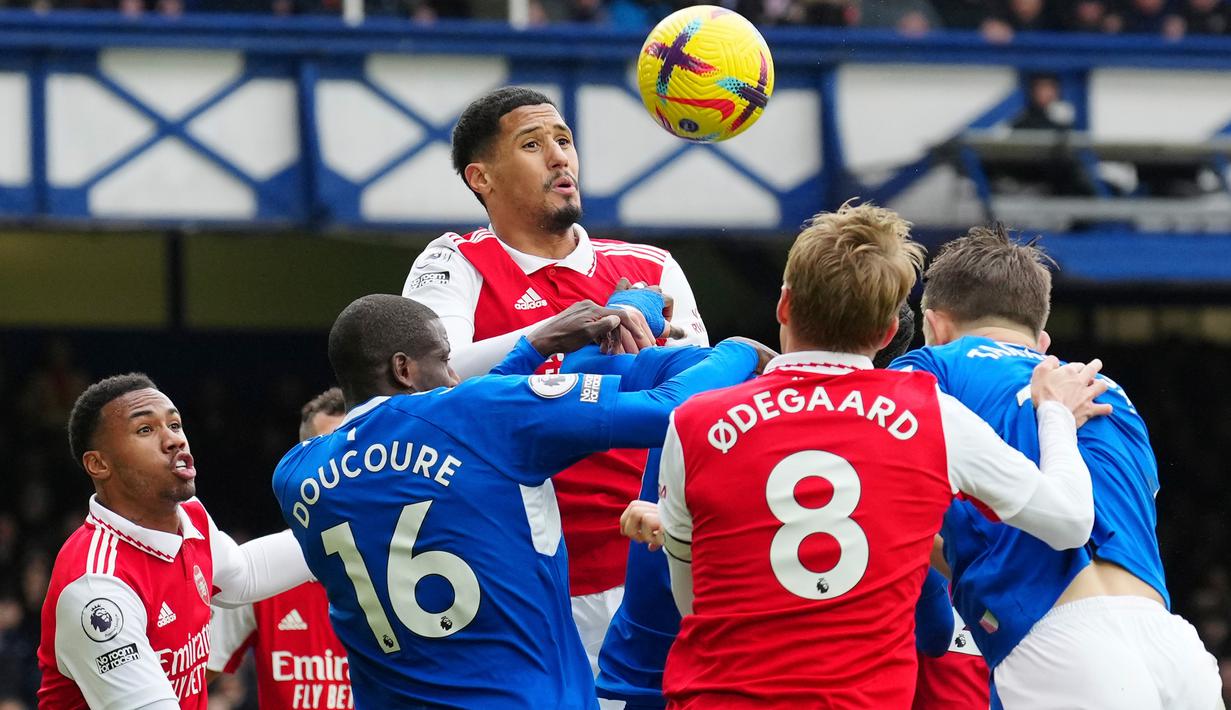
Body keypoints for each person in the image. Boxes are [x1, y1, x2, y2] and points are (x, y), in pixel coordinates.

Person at [656, 202, 1105, 708]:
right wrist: (1056, 415)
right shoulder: (929, 413)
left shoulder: (695, 421)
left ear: (784, 305)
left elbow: (691, 600)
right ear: (889, 332)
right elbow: (1069, 521)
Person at [271, 295, 760, 708]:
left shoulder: (294, 475)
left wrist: (534, 348)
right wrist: (739, 350)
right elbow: (666, 408)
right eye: (444, 360)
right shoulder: (474, 414)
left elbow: (461, 419)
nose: (454, 376)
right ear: (403, 369)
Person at [401, 85, 709, 672]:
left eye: (564, 141)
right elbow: (426, 381)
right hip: (516, 580)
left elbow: (700, 413)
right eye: (533, 144)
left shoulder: (652, 268)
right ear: (481, 178)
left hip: (646, 562)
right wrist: (548, 333)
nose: (560, 157)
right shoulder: (454, 262)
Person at [891, 225, 1221, 709]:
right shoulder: (1110, 394)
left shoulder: (934, 368)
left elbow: (875, 473)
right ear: (1041, 340)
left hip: (1064, 648)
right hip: (1175, 650)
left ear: (937, 326)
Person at [594, 304, 920, 709]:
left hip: (645, 673)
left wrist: (634, 312)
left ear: (785, 309)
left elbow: (589, 368)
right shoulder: (901, 444)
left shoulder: (707, 371)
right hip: (765, 684)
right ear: (889, 347)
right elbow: (933, 627)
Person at [37, 374, 312, 710]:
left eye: (175, 424)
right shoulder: (97, 588)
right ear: (98, 464)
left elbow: (242, 574)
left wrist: (349, 528)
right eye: (145, 430)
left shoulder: (189, 517)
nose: (174, 440)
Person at [206, 388, 352, 710]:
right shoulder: (257, 571)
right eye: (328, 452)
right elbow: (191, 681)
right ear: (302, 469)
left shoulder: (410, 565)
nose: (343, 470)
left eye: (353, 453)